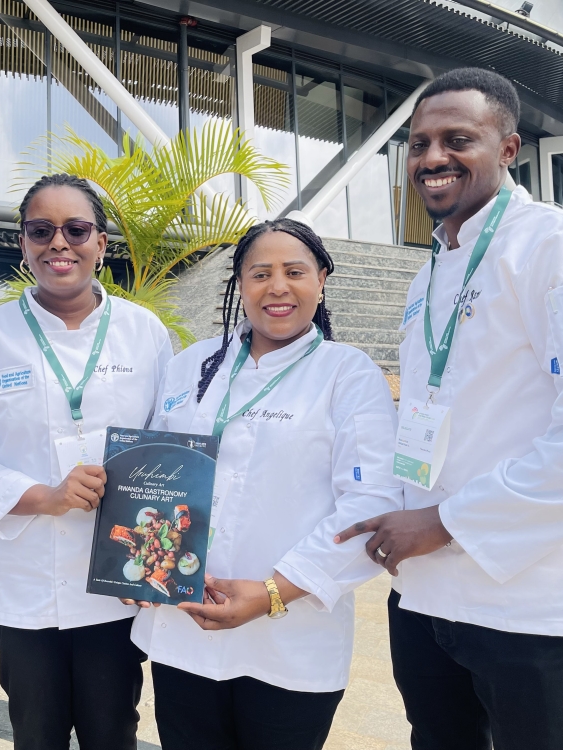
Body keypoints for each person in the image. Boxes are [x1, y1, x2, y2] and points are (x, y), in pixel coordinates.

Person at [334, 68, 563, 749]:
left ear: (509, 149)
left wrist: (446, 522)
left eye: (458, 139)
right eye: (419, 144)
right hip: (424, 596)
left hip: (531, 606)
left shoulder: (560, 248)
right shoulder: (430, 272)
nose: (433, 158)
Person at [130, 219, 404, 750]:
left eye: (295, 272)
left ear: (321, 280)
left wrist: (273, 592)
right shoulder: (191, 367)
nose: (277, 287)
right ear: (239, 282)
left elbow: (371, 503)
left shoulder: (348, 374)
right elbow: (152, 478)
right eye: (260, 273)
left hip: (290, 642)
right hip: (184, 628)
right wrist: (141, 563)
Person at [0, 173, 173, 750]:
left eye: (76, 229)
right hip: (21, 583)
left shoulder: (143, 333)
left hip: (118, 580)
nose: (59, 244)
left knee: (113, 730)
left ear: (101, 242)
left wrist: (158, 560)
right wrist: (44, 497)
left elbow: (171, 444)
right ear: (23, 244)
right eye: (41, 231)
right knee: (36, 732)